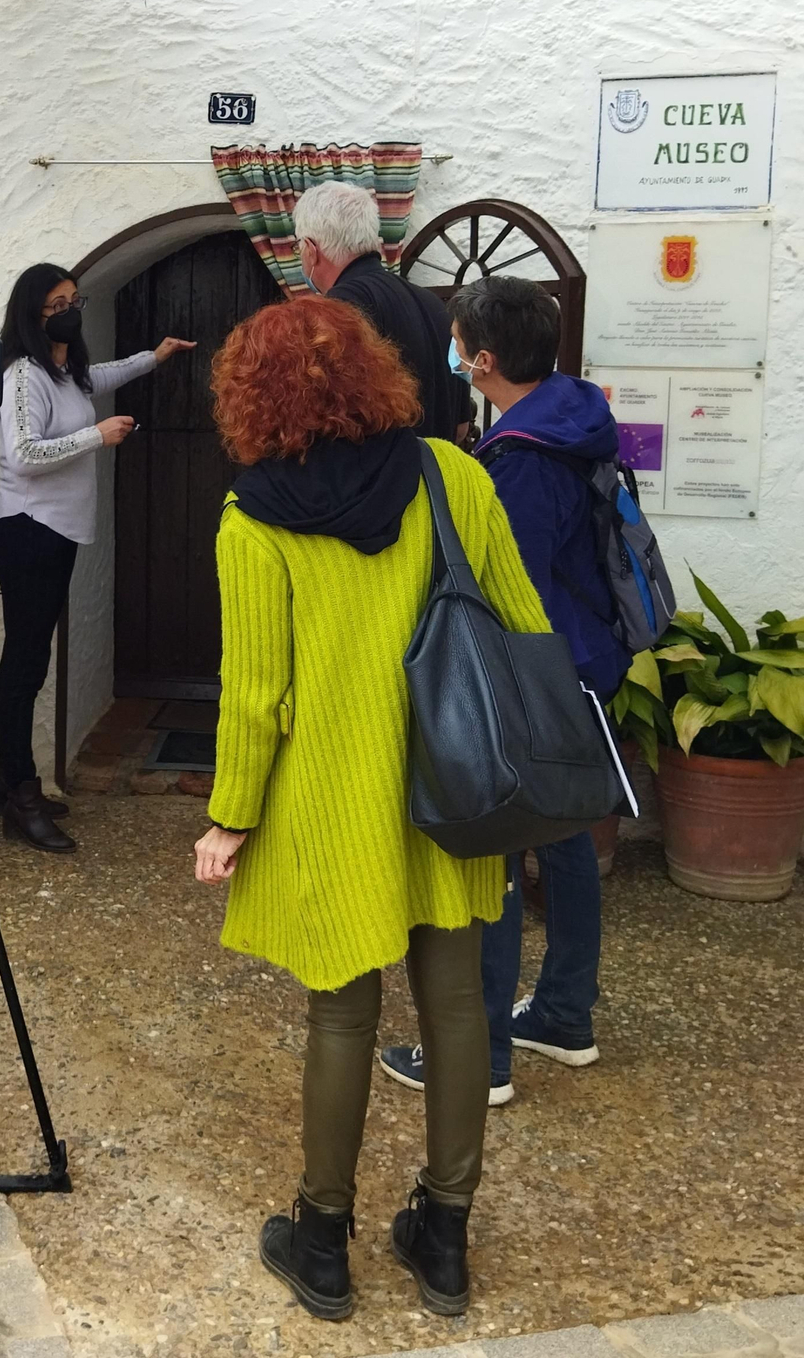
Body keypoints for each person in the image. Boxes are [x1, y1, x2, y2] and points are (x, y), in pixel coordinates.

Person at [191, 296, 552, 1321]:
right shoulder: (456, 477)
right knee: (454, 1004)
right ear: (376, 369)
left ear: (247, 399)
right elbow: (520, 624)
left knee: (342, 1010)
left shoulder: (251, 515)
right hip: (454, 786)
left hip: (330, 799)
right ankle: (443, 1235)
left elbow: (253, 691)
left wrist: (230, 816)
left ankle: (320, 1242)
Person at [380, 275, 631, 1107]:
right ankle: (562, 1015)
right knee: (562, 834)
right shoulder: (568, 413)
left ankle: (479, 1057)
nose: (450, 355)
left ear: (480, 360)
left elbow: (503, 579)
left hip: (529, 669)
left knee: (493, 845)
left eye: (457, 344)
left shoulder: (520, 460)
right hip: (581, 657)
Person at [0, 262, 195, 852]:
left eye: (75, 300)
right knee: (24, 665)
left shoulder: (62, 372)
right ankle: (20, 794)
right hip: (26, 529)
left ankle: (9, 781)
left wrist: (155, 356)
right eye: (57, 304)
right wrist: (95, 437)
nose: (69, 311)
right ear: (32, 313)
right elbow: (23, 453)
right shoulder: (23, 373)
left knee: (31, 662)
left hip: (53, 532)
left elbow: (98, 377)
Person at [294, 180, 474, 444]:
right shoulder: (433, 304)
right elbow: (461, 426)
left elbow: (323, 422)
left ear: (311, 249)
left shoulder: (335, 311)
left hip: (374, 482)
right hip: (438, 477)